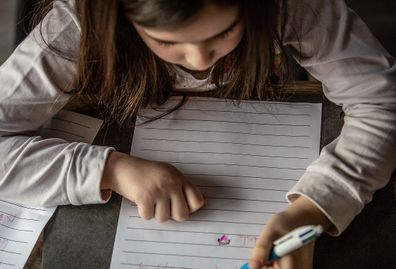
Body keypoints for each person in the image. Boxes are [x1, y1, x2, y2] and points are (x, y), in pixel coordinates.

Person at [0, 0, 395, 268]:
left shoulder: (293, 5)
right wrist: (111, 170)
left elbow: (383, 103)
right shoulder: (79, 22)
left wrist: (313, 209)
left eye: (223, 33)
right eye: (167, 41)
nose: (200, 61)